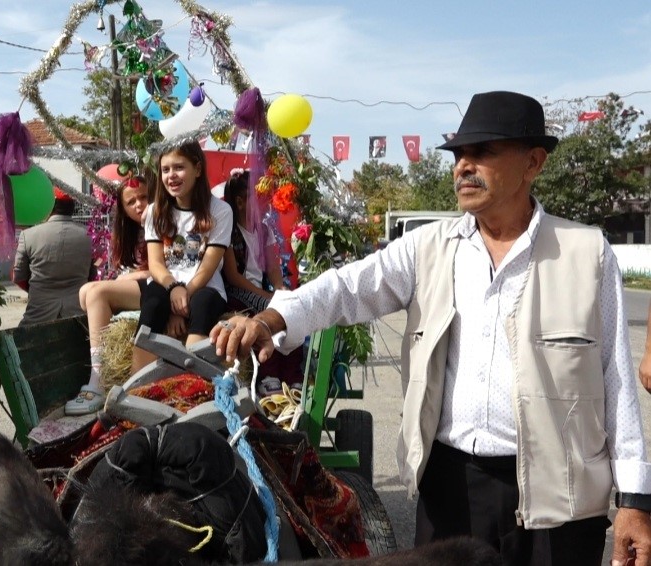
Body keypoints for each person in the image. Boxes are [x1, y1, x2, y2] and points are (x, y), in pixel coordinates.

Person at [211, 91, 651, 566]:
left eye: (482, 153)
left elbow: (617, 382)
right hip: (451, 489)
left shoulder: (586, 253)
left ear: (533, 163)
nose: (464, 166)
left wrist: (635, 502)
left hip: (559, 497)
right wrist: (271, 318)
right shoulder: (429, 247)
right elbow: (346, 288)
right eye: (459, 154)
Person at [132, 140, 232, 373]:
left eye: (179, 167)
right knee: (154, 300)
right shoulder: (156, 211)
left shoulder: (220, 211)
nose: (171, 176)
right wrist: (173, 290)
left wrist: (181, 300)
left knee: (203, 302)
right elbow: (156, 264)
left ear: (197, 169)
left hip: (204, 287)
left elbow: (208, 268)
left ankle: (189, 385)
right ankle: (135, 389)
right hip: (167, 285)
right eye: (166, 170)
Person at [65, 176, 150, 415]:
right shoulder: (128, 232)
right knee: (86, 292)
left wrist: (129, 277)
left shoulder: (160, 222)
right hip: (141, 286)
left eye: (143, 197)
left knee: (97, 292)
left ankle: (98, 379)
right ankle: (100, 372)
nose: (138, 205)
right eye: (131, 201)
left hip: (159, 288)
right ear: (122, 208)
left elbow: (167, 267)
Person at [13, 188, 94, 326]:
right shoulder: (89, 235)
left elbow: (18, 276)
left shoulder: (28, 235)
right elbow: (92, 275)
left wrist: (39, 290)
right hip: (79, 315)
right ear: (72, 208)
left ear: (48, 206)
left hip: (38, 315)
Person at [222, 169, 286, 314]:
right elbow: (233, 276)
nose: (265, 204)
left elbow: (272, 267)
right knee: (272, 309)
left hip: (260, 290)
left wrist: (279, 289)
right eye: (259, 199)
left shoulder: (264, 231)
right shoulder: (229, 231)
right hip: (236, 292)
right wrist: (263, 295)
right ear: (240, 202)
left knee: (287, 305)